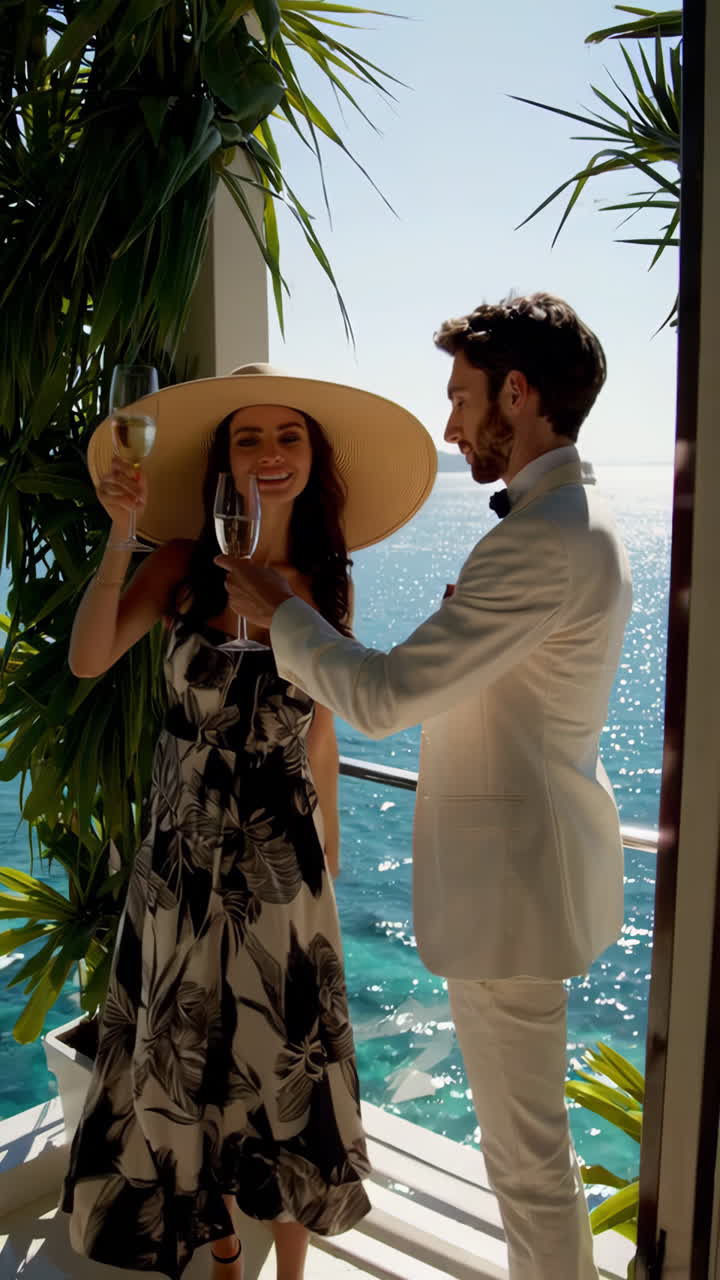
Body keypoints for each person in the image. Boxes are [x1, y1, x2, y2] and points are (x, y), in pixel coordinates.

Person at [218, 297, 634, 1280]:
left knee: (526, 1166)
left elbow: (385, 696)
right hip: (532, 879)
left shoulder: (539, 539)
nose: (449, 425)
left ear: (519, 394)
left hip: (511, 896)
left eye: (461, 397)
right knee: (531, 1158)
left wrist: (282, 607)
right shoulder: (572, 520)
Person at [61, 363, 436, 1280]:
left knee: (277, 1059)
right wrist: (121, 534)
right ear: (224, 460)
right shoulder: (183, 561)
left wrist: (330, 863)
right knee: (187, 1058)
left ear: (314, 460)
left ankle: (291, 1263)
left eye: (289, 437)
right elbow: (87, 657)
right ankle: (226, 1248)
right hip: (181, 856)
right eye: (248, 438)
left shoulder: (322, 579)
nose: (270, 455)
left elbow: (322, 726)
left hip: (282, 863)